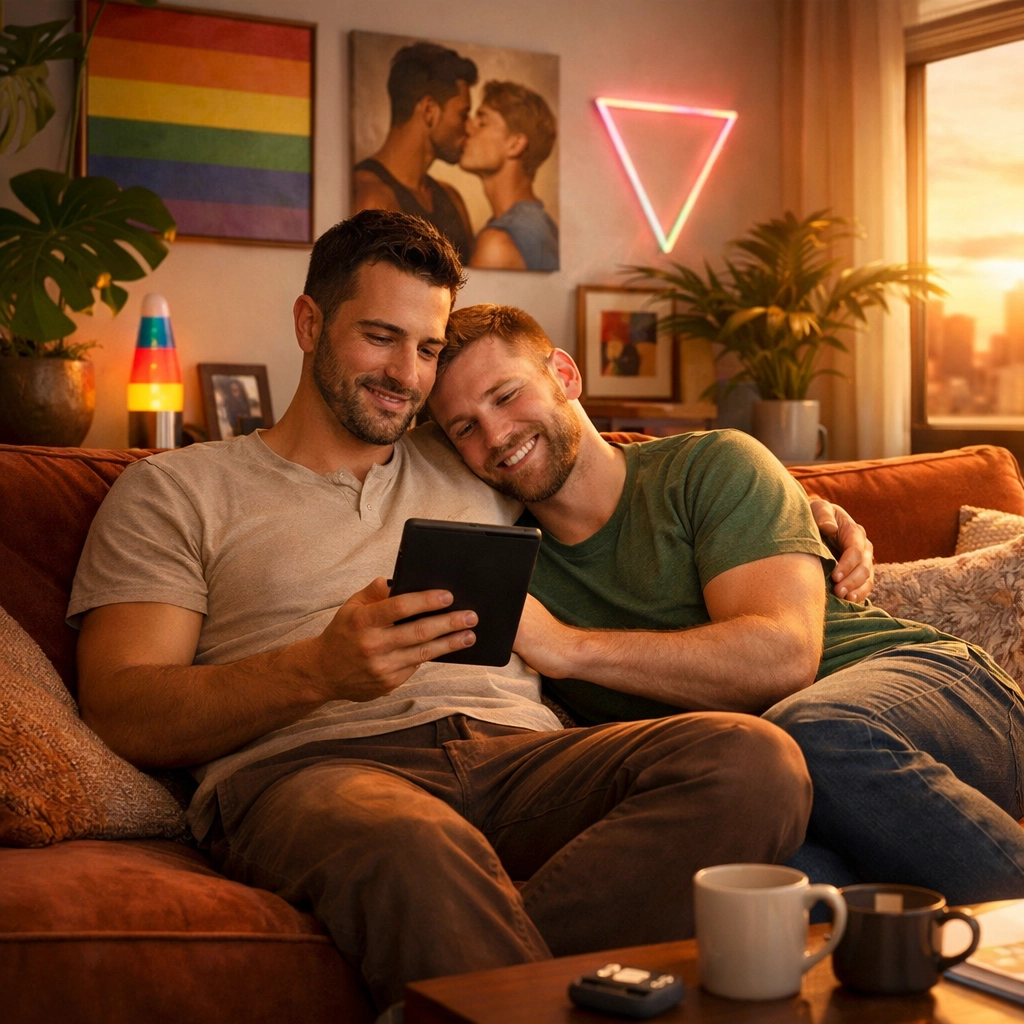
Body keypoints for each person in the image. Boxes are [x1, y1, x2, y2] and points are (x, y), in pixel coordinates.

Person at [69, 211, 813, 1019]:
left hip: (520, 758)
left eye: (426, 349)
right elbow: (123, 710)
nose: (407, 375)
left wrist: (814, 509)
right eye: (381, 338)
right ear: (309, 323)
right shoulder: (176, 489)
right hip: (316, 773)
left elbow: (594, 456)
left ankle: (445, 1002)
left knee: (753, 759)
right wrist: (316, 671)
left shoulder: (472, 450)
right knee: (417, 841)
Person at [427, 302, 1024, 908]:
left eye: (505, 396)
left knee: (814, 732)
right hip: (775, 780)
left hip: (942, 693)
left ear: (565, 375)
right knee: (766, 881)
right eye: (464, 428)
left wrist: (566, 647)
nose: (496, 436)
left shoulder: (710, 464)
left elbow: (782, 659)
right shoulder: (497, 556)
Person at [353, 42, 476, 262]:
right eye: (463, 114)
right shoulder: (369, 198)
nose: (469, 128)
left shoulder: (452, 198)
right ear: (429, 110)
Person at [459, 80, 559, 272]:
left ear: (515, 144)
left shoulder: (497, 244)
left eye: (482, 122)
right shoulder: (541, 225)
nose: (468, 128)